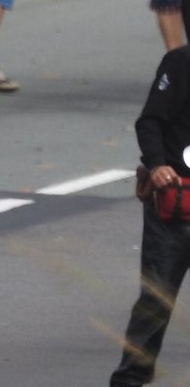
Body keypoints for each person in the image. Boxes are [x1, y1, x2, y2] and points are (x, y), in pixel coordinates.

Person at [109, 47, 190, 387]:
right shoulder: (182, 62)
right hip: (177, 204)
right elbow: (150, 120)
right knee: (156, 300)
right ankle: (130, 379)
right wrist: (157, 165)